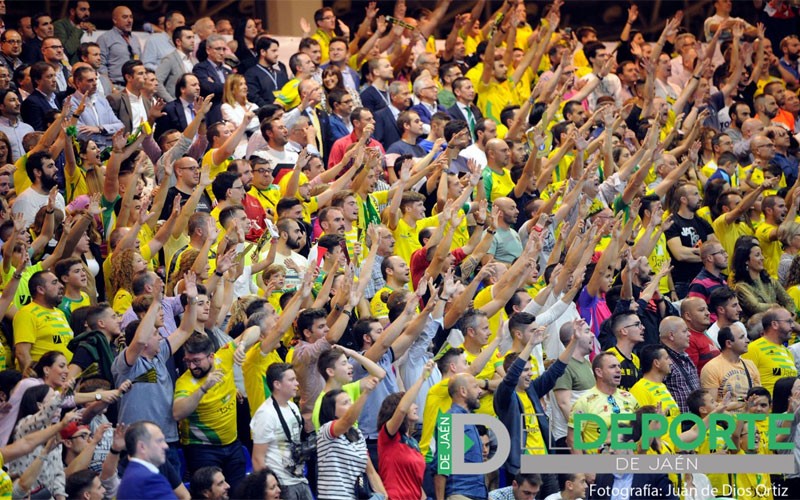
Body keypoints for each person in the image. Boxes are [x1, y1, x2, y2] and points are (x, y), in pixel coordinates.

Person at [250, 363, 314, 500]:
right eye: (291, 380)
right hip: (282, 484)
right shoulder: (265, 414)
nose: (297, 383)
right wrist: (271, 490)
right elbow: (257, 458)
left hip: (300, 478)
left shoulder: (293, 407)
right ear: (277, 384)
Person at [317, 377, 385, 500]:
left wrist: (384, 496)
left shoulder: (357, 434)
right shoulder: (326, 430)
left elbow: (371, 472)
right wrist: (366, 392)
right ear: (333, 411)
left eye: (350, 401)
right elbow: (348, 420)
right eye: (345, 403)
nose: (351, 405)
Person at [377, 360, 433, 500]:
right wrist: (422, 378)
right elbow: (402, 409)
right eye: (411, 403)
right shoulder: (388, 436)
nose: (415, 406)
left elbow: (416, 483)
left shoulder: (413, 442)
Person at [116, 421, 175, 500]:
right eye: (159, 441)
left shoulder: (131, 473)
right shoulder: (151, 481)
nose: (166, 446)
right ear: (142, 447)